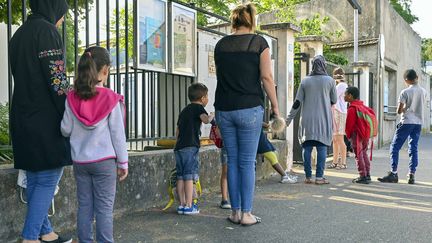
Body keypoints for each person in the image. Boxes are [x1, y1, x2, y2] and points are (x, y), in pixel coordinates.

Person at [9, 0, 72, 242]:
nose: (63, 19)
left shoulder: (19, 34)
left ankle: (46, 232)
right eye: (62, 14)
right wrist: (70, 111)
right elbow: (57, 80)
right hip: (44, 119)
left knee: (36, 177)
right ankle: (30, 236)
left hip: (23, 116)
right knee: (47, 178)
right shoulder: (47, 31)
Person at [214, 3, 280, 226]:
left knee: (232, 161)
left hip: (224, 108)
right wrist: (276, 109)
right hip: (249, 108)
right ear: (251, 19)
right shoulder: (259, 42)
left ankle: (235, 212)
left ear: (234, 21)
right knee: (246, 162)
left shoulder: (220, 45)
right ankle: (247, 214)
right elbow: (267, 78)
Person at [61, 46, 128, 243]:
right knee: (104, 209)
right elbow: (118, 134)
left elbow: (65, 129)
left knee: (85, 207)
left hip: (81, 162)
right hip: (105, 162)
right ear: (105, 70)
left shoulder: (72, 97)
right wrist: (123, 163)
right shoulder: (110, 99)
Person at [286, 55, 337, 185]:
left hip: (307, 120)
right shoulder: (330, 81)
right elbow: (334, 100)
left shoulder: (305, 81)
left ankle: (308, 177)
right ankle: (319, 177)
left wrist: (288, 120)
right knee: (321, 148)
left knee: (307, 148)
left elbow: (297, 102)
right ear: (324, 65)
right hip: (323, 119)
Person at [378, 69, 426, 184]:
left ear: (406, 80)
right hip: (418, 123)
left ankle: (393, 173)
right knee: (413, 148)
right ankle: (411, 174)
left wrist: (405, 109)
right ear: (417, 77)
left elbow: (399, 111)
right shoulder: (424, 91)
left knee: (394, 147)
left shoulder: (405, 92)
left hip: (407, 122)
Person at [175, 83, 214, 215]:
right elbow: (206, 120)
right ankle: (189, 205)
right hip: (190, 146)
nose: (207, 99)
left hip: (179, 147)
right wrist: (212, 116)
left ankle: (181, 204)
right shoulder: (199, 108)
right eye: (207, 96)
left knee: (180, 176)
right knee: (189, 176)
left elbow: (177, 131)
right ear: (202, 98)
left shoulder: (184, 110)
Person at [344, 87, 372, 184]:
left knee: (358, 155)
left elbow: (349, 124)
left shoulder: (352, 108)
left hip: (356, 135)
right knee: (364, 153)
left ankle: (362, 175)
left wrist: (348, 136)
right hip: (365, 134)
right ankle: (367, 174)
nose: (344, 96)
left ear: (350, 96)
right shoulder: (362, 106)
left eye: (345, 94)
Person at [328, 67, 348, 170]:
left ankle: (343, 163)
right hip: (337, 112)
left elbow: (333, 97)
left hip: (340, 113)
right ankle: (335, 162)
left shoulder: (341, 85)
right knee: (335, 139)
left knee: (339, 139)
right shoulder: (341, 85)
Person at [210, 119, 231, 209]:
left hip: (229, 145)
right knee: (226, 173)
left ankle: (227, 200)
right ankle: (225, 199)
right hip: (228, 145)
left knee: (227, 174)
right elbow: (218, 131)